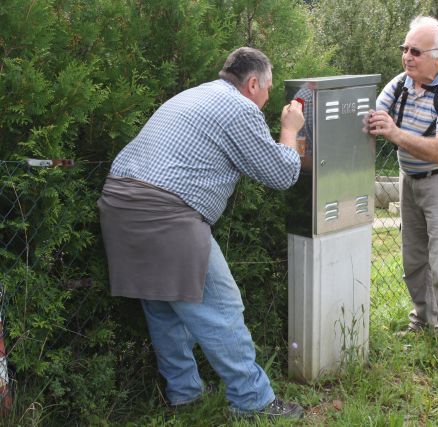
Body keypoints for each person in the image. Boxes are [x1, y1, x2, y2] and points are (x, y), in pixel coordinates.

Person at [97, 47, 305, 419]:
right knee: (222, 309)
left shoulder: (195, 94)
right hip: (164, 214)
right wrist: (289, 130)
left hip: (119, 205)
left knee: (164, 307)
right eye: (269, 88)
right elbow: (282, 173)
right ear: (253, 83)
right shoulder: (240, 108)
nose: (270, 98)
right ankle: (254, 402)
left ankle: (185, 395)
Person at [366, 16, 438, 344]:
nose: (407, 56)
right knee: (414, 258)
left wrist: (395, 133)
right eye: (405, 49)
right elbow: (372, 117)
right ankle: (423, 322)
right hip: (409, 179)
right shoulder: (400, 84)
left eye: (416, 51)